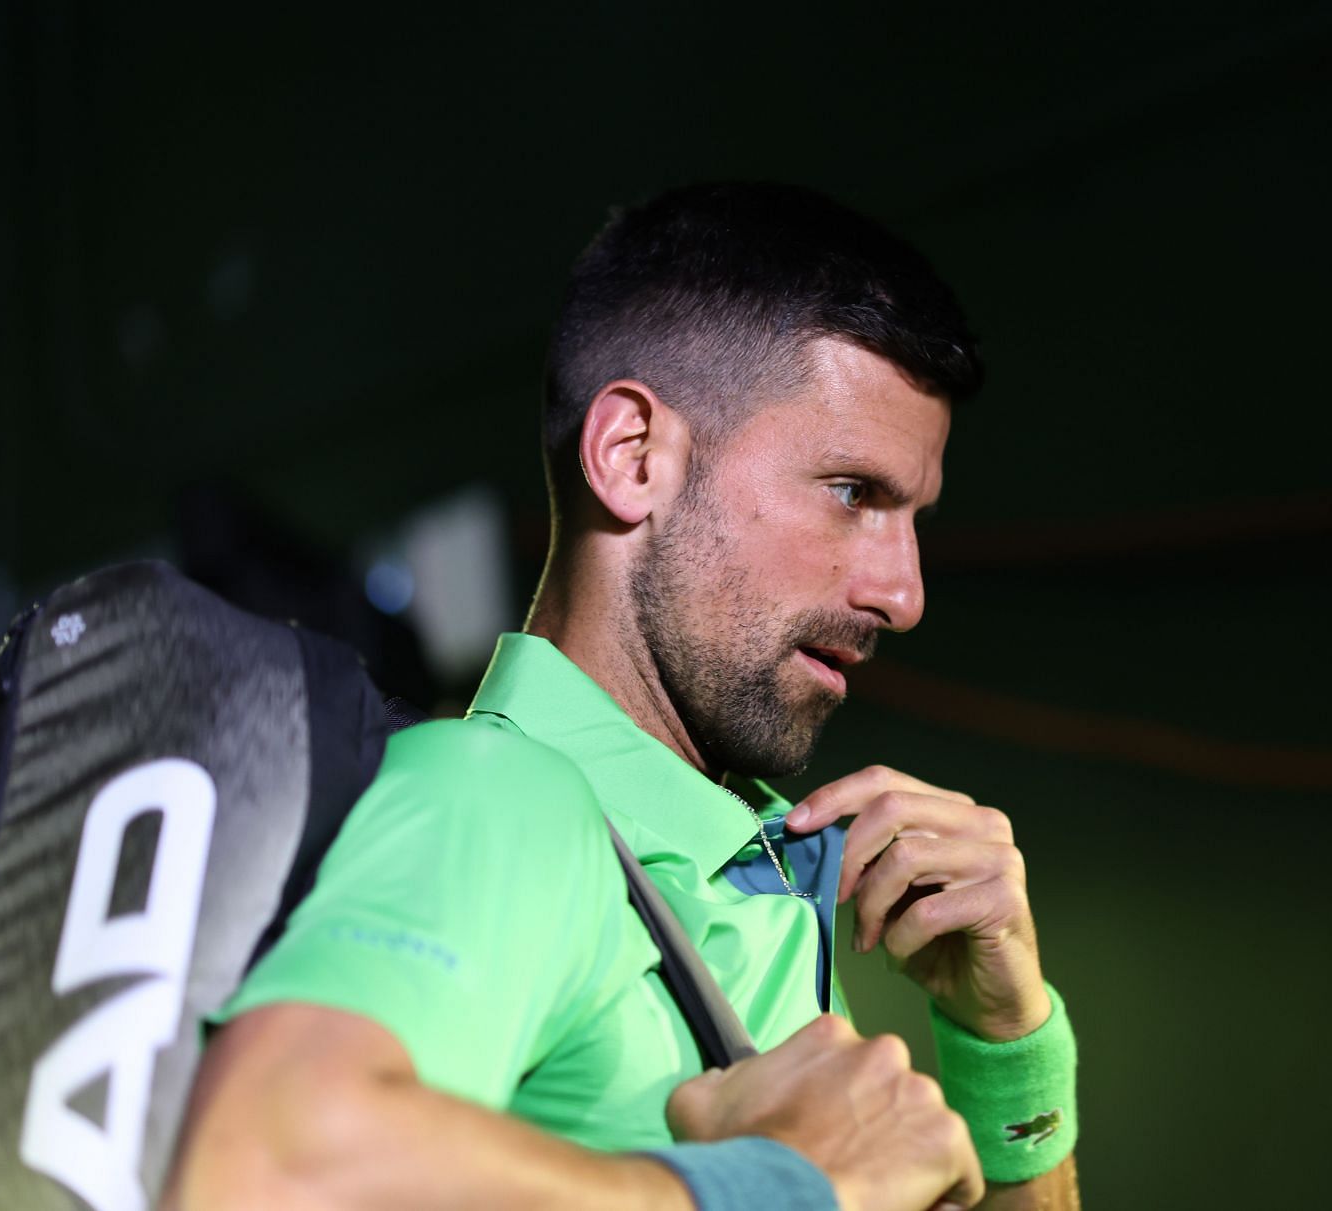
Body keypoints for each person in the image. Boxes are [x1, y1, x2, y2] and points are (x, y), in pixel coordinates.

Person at [164, 183, 1080, 1211]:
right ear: (632, 456)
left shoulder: (755, 866)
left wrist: (1007, 1045)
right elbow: (260, 1161)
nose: (903, 593)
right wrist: (777, 1183)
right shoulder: (505, 796)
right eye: (852, 493)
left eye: (911, 515)